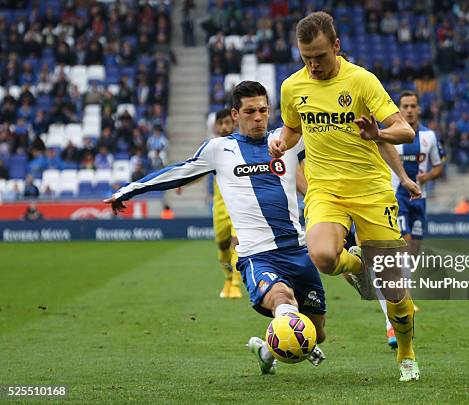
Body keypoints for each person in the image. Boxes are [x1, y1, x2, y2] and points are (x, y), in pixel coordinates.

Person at [105, 81, 327, 375]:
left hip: (298, 252)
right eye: (250, 111)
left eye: (263, 110)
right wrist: (129, 190)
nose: (258, 117)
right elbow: (178, 173)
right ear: (235, 114)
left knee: (317, 334)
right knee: (283, 300)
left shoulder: (287, 141)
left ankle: (265, 350)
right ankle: (289, 333)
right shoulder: (219, 149)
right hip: (257, 256)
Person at [268, 11, 421, 382]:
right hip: (325, 189)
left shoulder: (362, 81)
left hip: (370, 189)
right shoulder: (293, 87)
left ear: (336, 46)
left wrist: (378, 136)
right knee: (322, 256)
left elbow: (405, 131)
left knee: (396, 292)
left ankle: (406, 353)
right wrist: (280, 143)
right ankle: (355, 267)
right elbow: (293, 128)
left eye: (320, 56)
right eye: (306, 58)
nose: (313, 65)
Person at [379, 90, 443, 348]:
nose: (408, 110)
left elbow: (439, 165)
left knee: (414, 249)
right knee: (404, 243)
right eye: (404, 106)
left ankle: (405, 294)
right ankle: (402, 300)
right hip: (398, 198)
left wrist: (426, 178)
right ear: (400, 108)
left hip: (421, 199)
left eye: (413, 106)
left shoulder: (429, 136)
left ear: (419, 109)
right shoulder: (393, 135)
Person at [210, 108, 242, 299]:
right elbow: (197, 171)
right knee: (222, 247)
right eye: (220, 123)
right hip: (220, 206)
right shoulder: (211, 149)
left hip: (238, 205)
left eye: (227, 123)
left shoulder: (241, 145)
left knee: (237, 244)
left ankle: (236, 284)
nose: (224, 127)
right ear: (215, 126)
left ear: (234, 123)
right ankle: (228, 279)